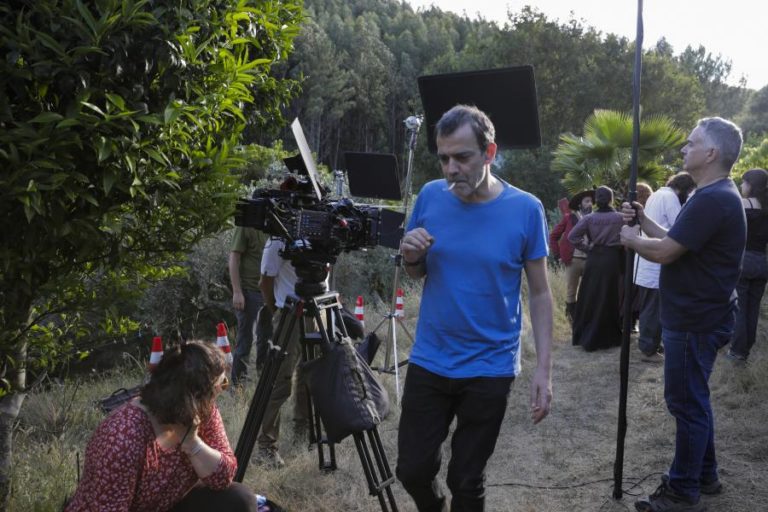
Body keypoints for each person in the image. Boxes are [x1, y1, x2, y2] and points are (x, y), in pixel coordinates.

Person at [397, 104, 553, 512]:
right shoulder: (430, 196)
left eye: (462, 157)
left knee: (466, 479)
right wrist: (411, 257)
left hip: (490, 367)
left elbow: (539, 292)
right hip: (431, 359)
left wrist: (544, 370)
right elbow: (416, 272)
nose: (451, 169)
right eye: (444, 157)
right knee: (412, 470)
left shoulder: (525, 209)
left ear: (490, 152)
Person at [620, 117, 745, 512]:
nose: (683, 149)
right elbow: (677, 241)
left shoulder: (712, 199)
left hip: (694, 320)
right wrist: (644, 222)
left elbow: (666, 253)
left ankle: (681, 492)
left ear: (711, 153)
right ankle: (705, 476)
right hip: (703, 315)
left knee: (686, 404)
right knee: (695, 399)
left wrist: (630, 240)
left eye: (691, 144)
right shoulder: (714, 195)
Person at [65, 341, 258, 512]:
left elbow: (223, 477)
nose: (223, 390)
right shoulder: (122, 437)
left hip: (169, 504)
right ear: (196, 395)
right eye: (222, 384)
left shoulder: (203, 410)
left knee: (239, 500)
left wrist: (193, 444)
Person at [256, 237, 313, 469]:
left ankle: (304, 432)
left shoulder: (324, 231)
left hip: (316, 310)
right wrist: (276, 310)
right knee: (280, 382)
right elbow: (265, 282)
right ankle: (266, 446)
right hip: (290, 311)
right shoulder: (278, 240)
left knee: (310, 376)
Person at [634, 173, 696, 362]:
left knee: (650, 308)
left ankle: (651, 344)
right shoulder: (670, 198)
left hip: (648, 260)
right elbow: (680, 227)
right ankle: (648, 350)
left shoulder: (657, 194)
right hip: (655, 264)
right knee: (653, 310)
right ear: (684, 189)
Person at [568, 185, 625, 351]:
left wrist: (588, 248)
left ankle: (587, 335)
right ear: (611, 199)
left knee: (591, 296)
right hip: (612, 259)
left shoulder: (588, 219)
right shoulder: (621, 218)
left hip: (594, 259)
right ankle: (610, 336)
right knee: (610, 296)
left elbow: (573, 237)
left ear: (595, 201)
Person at [727, 168, 768, 363]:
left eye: (743, 183)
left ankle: (737, 352)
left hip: (744, 259)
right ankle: (745, 350)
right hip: (762, 261)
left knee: (740, 308)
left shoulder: (744, 204)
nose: (741, 186)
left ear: (751, 185)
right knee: (753, 308)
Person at [229, 223, 269, 386]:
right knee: (246, 339)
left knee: (267, 338)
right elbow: (234, 257)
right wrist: (237, 291)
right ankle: (238, 386)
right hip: (249, 290)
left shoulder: (278, 223)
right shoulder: (247, 225)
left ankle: (264, 380)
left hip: (271, 292)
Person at [549, 190, 594, 321]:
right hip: (572, 260)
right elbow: (553, 236)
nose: (590, 204)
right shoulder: (569, 218)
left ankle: (586, 319)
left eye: (591, 201)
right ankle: (573, 321)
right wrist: (558, 255)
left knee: (590, 291)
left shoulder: (595, 218)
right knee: (571, 292)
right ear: (580, 204)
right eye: (587, 201)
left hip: (590, 260)